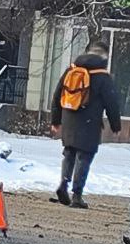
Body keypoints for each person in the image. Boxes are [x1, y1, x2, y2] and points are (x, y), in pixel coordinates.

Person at [49, 38, 121, 209]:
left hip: (69, 118)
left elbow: (57, 95)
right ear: (105, 57)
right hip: (90, 123)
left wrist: (56, 120)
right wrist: (115, 125)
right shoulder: (103, 76)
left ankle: (63, 184)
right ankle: (77, 195)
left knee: (69, 153)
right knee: (84, 157)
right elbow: (112, 102)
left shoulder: (72, 69)